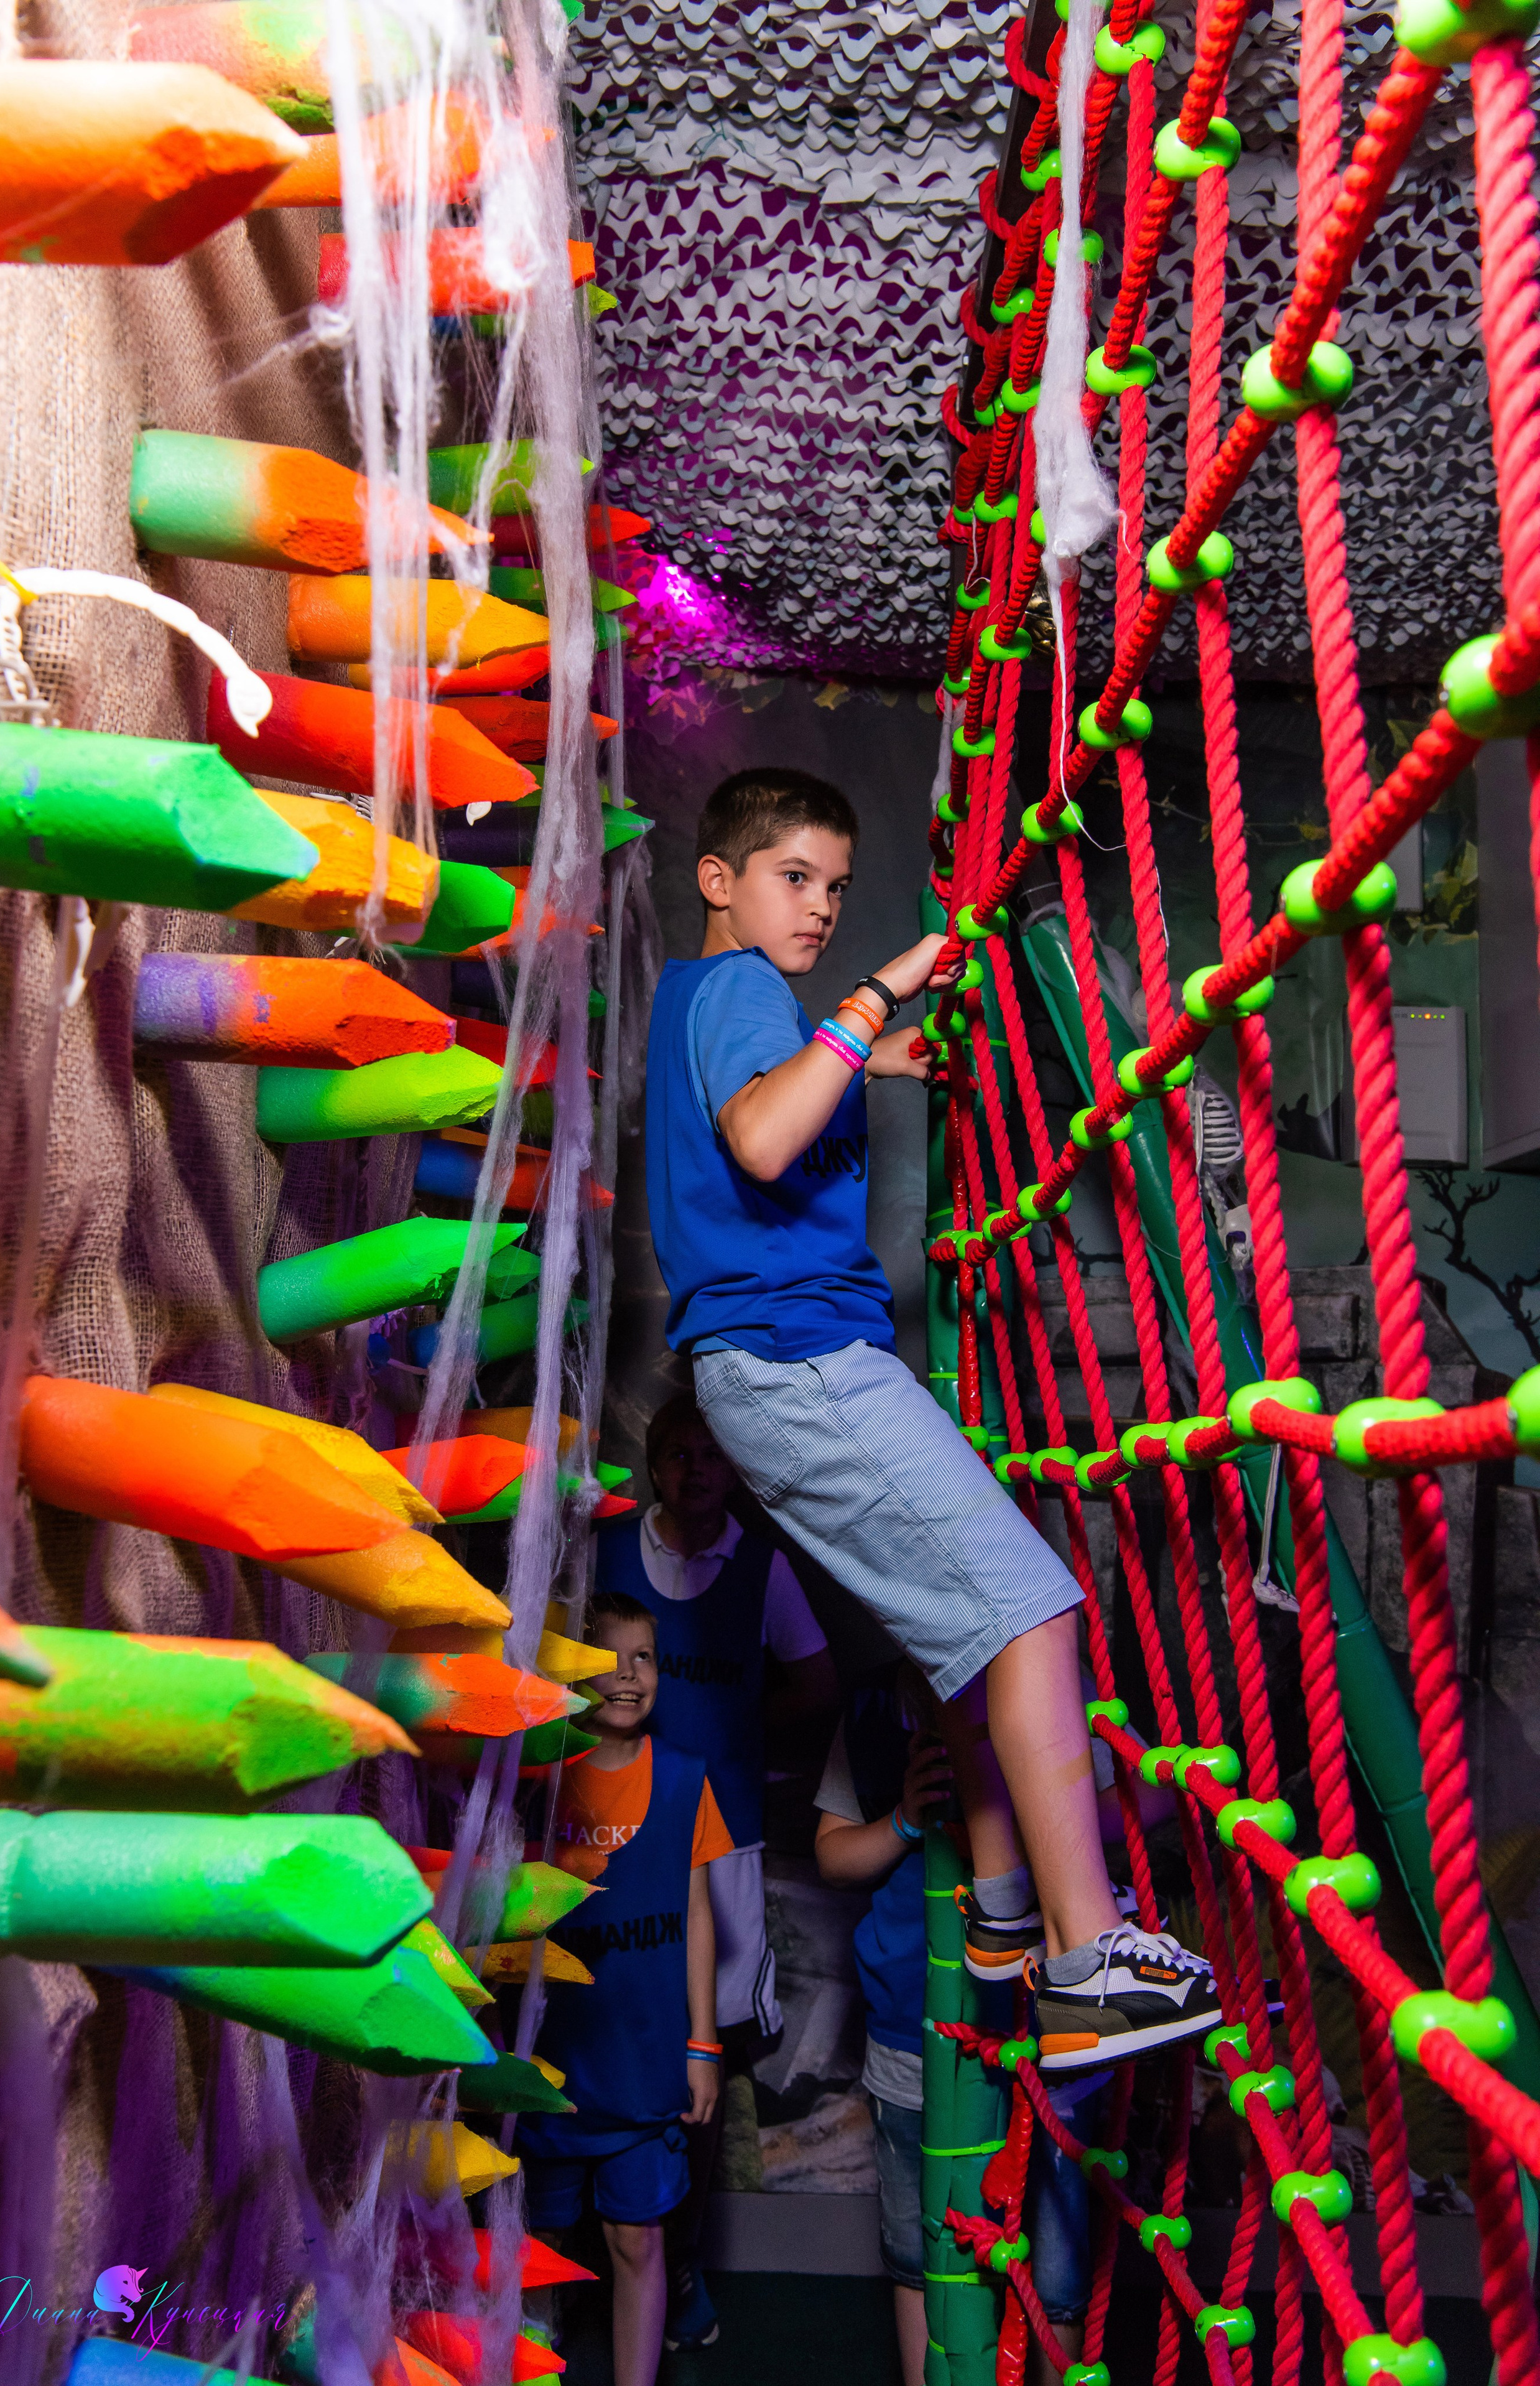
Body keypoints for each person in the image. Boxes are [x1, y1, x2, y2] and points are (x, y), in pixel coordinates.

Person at [644, 764, 1218, 2068]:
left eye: (836, 888)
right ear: (718, 880)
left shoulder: (709, 1002)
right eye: (795, 877)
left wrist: (883, 1058)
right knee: (1029, 1614)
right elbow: (761, 1141)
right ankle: (1088, 1964)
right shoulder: (743, 990)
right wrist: (874, 998)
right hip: (799, 1361)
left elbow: (771, 1120)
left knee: (961, 1639)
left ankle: (1006, 1911)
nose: (821, 906)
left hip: (774, 1369)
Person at [814, 1669, 1169, 2386]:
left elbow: (1150, 1798)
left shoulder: (1051, 1682)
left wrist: (1030, 1807)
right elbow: (833, 1855)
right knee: (920, 2252)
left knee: (1057, 2265)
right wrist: (905, 1819)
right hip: (913, 2031)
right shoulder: (875, 1707)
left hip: (1046, 2030)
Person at [596, 1391, 840, 2349]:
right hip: (604, 1830)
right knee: (594, 2026)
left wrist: (734, 1731)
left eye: (712, 1453)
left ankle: (680, 2255)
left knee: (700, 2055)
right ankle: (591, 2261)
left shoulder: (762, 1565)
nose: (695, 1470)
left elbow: (817, 1682)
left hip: (721, 1836)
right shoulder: (607, 1548)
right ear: (656, 1464)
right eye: (678, 1453)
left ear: (735, 1466)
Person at [517, 1591, 732, 2386]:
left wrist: (703, 2044)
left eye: (645, 1657)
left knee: (638, 2239)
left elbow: (699, 1915)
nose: (630, 1675)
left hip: (646, 2066)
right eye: (609, 1659)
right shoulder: (537, 1778)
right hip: (553, 2065)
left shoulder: (682, 1778)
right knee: (538, 2243)